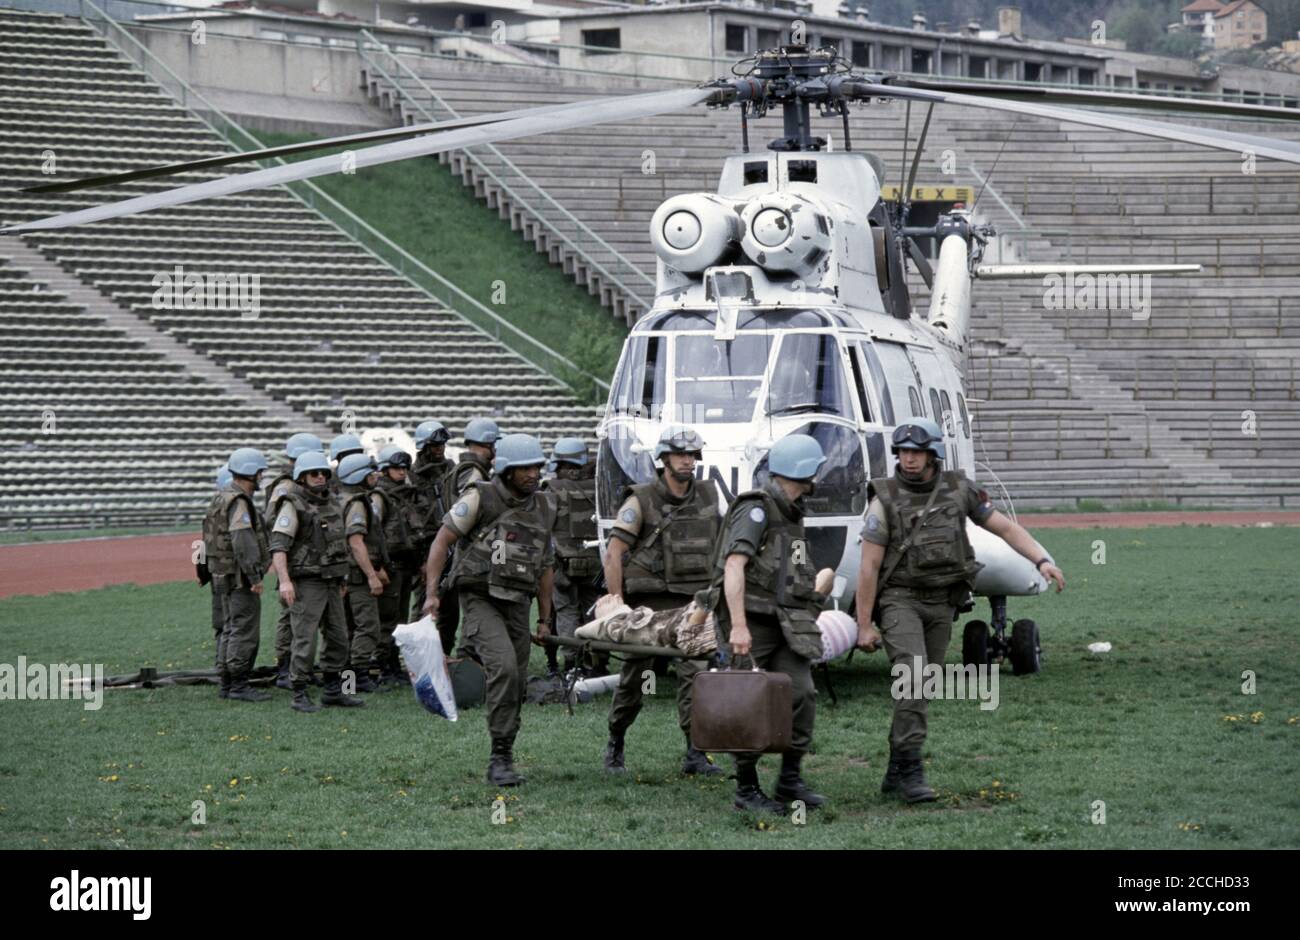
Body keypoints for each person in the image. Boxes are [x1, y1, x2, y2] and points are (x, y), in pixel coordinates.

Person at [855, 418, 1066, 802]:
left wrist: (1042, 560)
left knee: (921, 686)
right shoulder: (883, 498)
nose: (909, 459)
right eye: (902, 452)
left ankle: (897, 766)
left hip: (943, 602)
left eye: (916, 452)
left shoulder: (959, 490)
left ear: (932, 453)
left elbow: (1004, 528)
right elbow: (868, 566)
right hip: (900, 599)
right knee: (914, 679)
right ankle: (911, 770)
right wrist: (865, 623)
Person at [422, 433, 556, 786]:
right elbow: (442, 540)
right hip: (479, 597)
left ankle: (506, 754)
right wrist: (431, 594)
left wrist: (545, 619)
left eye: (537, 467)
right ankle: (498, 759)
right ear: (507, 470)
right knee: (504, 668)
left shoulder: (545, 506)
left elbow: (545, 566)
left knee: (517, 681)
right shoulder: (479, 497)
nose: (532, 473)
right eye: (524, 467)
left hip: (518, 601)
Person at [709, 433, 829, 813]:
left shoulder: (793, 512)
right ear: (805, 471)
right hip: (753, 622)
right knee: (748, 702)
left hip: (787, 623)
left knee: (802, 695)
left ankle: (789, 779)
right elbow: (733, 565)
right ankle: (746, 790)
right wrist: (739, 626)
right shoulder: (757, 509)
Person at [602, 424, 722, 778]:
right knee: (636, 677)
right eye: (680, 454)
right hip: (649, 607)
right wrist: (616, 603)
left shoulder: (710, 495)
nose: (688, 461)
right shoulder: (640, 499)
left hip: (694, 603)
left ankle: (695, 753)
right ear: (664, 458)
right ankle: (616, 741)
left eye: (692, 455)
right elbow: (614, 552)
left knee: (696, 676)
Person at [268, 450, 366, 713]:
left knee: (339, 637)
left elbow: (339, 542)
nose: (320, 477)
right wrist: (285, 581)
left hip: (333, 580)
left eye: (323, 472)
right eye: (314, 473)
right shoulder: (293, 505)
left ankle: (334, 690)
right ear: (302, 477)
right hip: (307, 581)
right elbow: (278, 546)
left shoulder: (332, 502)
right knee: (305, 639)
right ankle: (299, 692)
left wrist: (342, 574)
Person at [202, 448, 271, 703]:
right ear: (251, 472)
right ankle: (239, 685)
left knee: (230, 629)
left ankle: (227, 683)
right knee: (243, 630)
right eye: (260, 472)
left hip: (222, 574)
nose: (262, 477)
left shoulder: (222, 497)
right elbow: (243, 541)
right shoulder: (239, 501)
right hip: (239, 577)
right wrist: (255, 576)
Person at [434, 417, 500, 657]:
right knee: (470, 614)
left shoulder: (463, 469)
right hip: (470, 552)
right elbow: (472, 512)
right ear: (488, 444)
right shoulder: (473, 473)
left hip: (461, 549)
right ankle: (464, 661)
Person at [264, 433, 324, 690]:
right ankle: (285, 669)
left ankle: (299, 668)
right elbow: (273, 521)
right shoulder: (287, 488)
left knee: (298, 616)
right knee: (290, 615)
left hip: (303, 559)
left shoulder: (295, 485)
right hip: (292, 559)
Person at [541, 438, 604, 677]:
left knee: (566, 611)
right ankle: (596, 662)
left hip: (563, 564)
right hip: (595, 564)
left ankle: (571, 665)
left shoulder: (552, 489)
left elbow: (543, 526)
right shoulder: (599, 487)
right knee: (593, 611)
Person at [337, 452, 390, 693]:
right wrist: (371, 574)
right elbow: (356, 541)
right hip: (357, 576)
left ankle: (347, 678)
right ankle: (358, 676)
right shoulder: (357, 503)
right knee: (368, 626)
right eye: (370, 472)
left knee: (350, 628)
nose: (375, 476)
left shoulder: (342, 498)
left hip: (346, 574)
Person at [375, 444, 422, 684]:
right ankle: (384, 666)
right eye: (396, 467)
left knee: (400, 619)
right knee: (388, 619)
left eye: (405, 467)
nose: (402, 471)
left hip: (405, 565)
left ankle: (393, 664)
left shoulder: (406, 494)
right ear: (385, 470)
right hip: (390, 565)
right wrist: (377, 567)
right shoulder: (379, 496)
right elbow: (373, 533)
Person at [407, 420, 451, 625]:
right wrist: (422, 559)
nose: (440, 449)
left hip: (450, 541)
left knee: (451, 604)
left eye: (442, 445)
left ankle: (444, 650)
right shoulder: (411, 477)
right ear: (423, 447)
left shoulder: (450, 470)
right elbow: (410, 521)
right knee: (424, 603)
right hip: (424, 548)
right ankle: (420, 652)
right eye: (435, 445)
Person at [202, 464, 233, 670]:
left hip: (215, 572)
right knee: (230, 624)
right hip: (228, 572)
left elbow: (202, 546)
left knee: (222, 623)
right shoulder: (230, 508)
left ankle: (222, 664)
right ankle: (226, 667)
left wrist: (202, 573)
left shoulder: (212, 508)